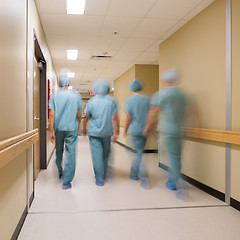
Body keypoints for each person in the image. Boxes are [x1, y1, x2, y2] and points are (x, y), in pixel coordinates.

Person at [143, 69, 187, 194]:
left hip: (168, 130)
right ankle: (175, 178)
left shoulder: (161, 94)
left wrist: (147, 127)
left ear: (166, 80)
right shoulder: (181, 94)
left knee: (169, 156)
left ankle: (176, 181)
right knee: (176, 157)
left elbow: (153, 113)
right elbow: (185, 111)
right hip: (179, 130)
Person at [49, 69, 83, 189]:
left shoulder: (55, 96)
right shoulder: (76, 95)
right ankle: (67, 181)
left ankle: (60, 172)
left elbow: (51, 115)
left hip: (58, 129)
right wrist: (78, 123)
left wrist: (51, 131)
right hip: (71, 128)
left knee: (59, 151)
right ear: (69, 82)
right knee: (71, 153)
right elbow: (79, 113)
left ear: (59, 82)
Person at [83, 79, 119, 186]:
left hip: (94, 133)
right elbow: (115, 117)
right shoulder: (112, 101)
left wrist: (84, 128)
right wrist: (117, 131)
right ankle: (105, 173)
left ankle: (99, 178)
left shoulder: (92, 101)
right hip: (107, 132)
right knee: (106, 153)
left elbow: (87, 117)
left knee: (96, 155)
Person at [124, 80, 150, 189]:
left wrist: (125, 129)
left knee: (136, 153)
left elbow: (129, 117)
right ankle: (133, 173)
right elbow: (151, 115)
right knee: (139, 152)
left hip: (134, 130)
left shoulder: (130, 100)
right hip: (144, 130)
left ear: (132, 88)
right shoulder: (147, 99)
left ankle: (144, 177)